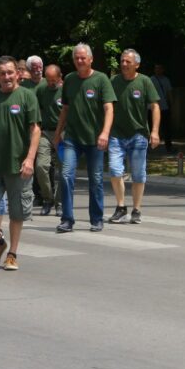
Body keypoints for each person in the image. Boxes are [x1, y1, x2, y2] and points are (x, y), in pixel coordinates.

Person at [0, 57, 41, 271]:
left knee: (17, 212)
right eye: (2, 73)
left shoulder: (27, 97)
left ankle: (12, 253)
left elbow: (35, 130)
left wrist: (30, 158)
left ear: (18, 74)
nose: (7, 77)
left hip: (18, 165)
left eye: (10, 72)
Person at [53, 43, 116, 233]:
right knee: (66, 175)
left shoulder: (101, 79)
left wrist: (105, 133)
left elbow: (109, 108)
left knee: (95, 179)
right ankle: (67, 219)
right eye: (76, 58)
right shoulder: (70, 80)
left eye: (83, 58)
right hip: (72, 138)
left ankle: (96, 219)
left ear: (90, 59)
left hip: (95, 140)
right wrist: (57, 133)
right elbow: (65, 109)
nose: (80, 61)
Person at [107, 49, 160, 225]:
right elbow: (107, 106)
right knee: (115, 170)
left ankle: (136, 209)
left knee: (138, 174)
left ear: (137, 64)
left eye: (127, 61)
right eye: (122, 61)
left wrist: (154, 131)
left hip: (138, 135)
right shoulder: (114, 81)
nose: (123, 64)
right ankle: (121, 208)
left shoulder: (145, 81)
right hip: (116, 134)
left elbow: (155, 106)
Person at [34, 65, 63, 216]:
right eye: (48, 79)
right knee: (41, 166)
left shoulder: (65, 91)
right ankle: (47, 198)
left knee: (64, 169)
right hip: (45, 132)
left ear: (60, 77)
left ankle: (60, 202)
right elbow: (36, 109)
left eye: (54, 79)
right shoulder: (41, 90)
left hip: (63, 133)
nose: (51, 82)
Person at [151, 64, 173, 152]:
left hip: (163, 106)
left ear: (163, 70)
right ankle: (152, 145)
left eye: (159, 68)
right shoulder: (151, 79)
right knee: (152, 126)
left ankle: (168, 146)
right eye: (156, 68)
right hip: (152, 107)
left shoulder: (166, 80)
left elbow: (169, 93)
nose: (157, 70)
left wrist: (171, 104)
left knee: (166, 127)